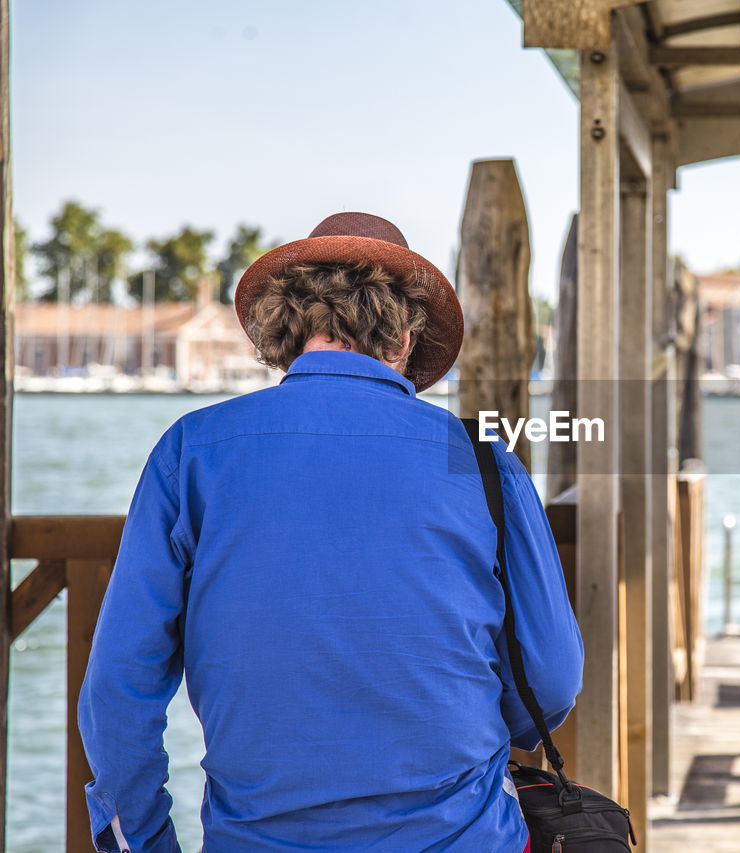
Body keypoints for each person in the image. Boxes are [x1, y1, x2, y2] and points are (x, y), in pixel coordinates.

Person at [78, 212, 584, 852]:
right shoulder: (482, 462)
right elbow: (553, 679)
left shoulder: (194, 451)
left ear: (283, 330)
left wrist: (143, 842)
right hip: (461, 835)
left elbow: (117, 691)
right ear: (404, 337)